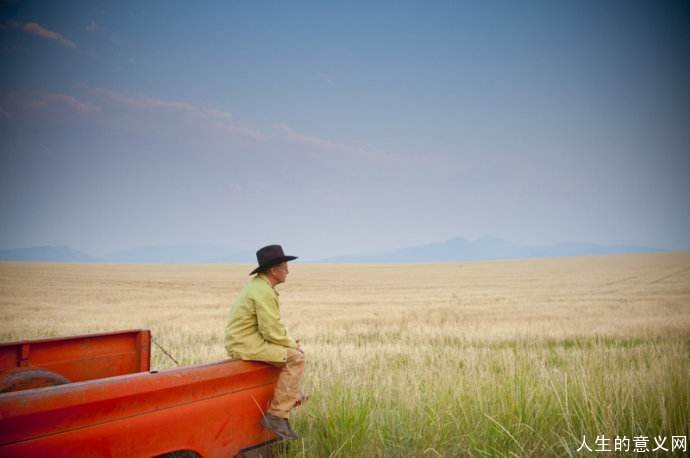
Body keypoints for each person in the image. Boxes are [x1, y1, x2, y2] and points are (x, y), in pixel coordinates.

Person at [225, 244, 305, 441]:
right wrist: (292, 345)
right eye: (285, 266)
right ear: (273, 270)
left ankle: (290, 395)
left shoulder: (259, 286)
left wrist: (288, 342)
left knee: (289, 352)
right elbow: (270, 331)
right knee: (297, 358)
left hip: (248, 340)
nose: (288, 270)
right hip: (246, 344)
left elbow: (271, 329)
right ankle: (277, 416)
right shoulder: (263, 291)